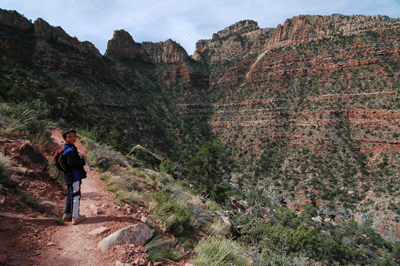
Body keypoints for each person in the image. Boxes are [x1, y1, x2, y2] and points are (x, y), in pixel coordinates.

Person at [61, 128, 87, 225]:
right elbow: (73, 164)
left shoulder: (66, 148)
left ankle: (67, 214)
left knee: (70, 194)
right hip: (74, 176)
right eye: (70, 137)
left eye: (74, 136)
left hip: (67, 176)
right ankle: (76, 217)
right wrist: (83, 160)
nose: (73, 138)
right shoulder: (70, 151)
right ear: (64, 138)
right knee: (76, 195)